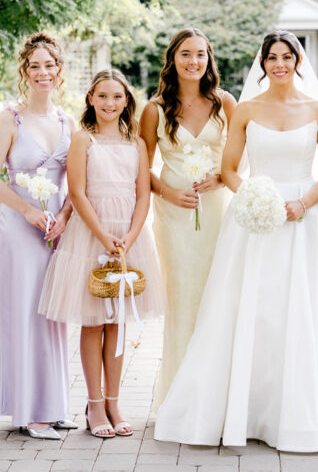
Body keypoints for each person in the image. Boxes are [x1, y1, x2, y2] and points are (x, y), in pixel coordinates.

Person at [154, 31, 318, 452]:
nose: (279, 64)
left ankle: (305, 412)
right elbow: (231, 168)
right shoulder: (247, 109)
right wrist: (254, 194)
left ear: (298, 62)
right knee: (253, 310)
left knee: (305, 310)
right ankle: (245, 410)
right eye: (271, 57)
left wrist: (304, 203)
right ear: (263, 63)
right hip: (254, 220)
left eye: (286, 57)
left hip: (305, 220)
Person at [39, 69, 165, 438]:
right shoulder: (83, 140)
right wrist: (103, 235)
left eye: (117, 96)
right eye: (103, 96)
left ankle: (114, 400)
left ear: (127, 101)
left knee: (119, 322)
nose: (110, 103)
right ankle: (94, 404)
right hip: (91, 234)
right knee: (94, 321)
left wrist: (130, 235)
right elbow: (76, 192)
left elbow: (144, 193)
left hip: (127, 236)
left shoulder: (137, 143)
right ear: (91, 99)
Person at [0, 33, 76, 440]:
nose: (43, 72)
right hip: (21, 228)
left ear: (60, 70)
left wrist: (64, 216)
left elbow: (77, 181)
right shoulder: (10, 119)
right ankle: (27, 411)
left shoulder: (67, 121)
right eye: (35, 66)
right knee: (25, 309)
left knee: (53, 314)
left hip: (55, 229)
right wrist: (27, 210)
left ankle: (54, 406)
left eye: (49, 65)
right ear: (25, 71)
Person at [138, 29, 236, 410]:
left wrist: (222, 176)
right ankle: (180, 399)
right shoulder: (155, 109)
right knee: (182, 299)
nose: (194, 61)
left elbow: (241, 156)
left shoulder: (225, 103)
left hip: (217, 211)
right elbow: (141, 168)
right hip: (174, 216)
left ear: (209, 59)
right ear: (173, 59)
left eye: (200, 54)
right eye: (185, 54)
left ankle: (216, 396)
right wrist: (168, 192)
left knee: (218, 295)